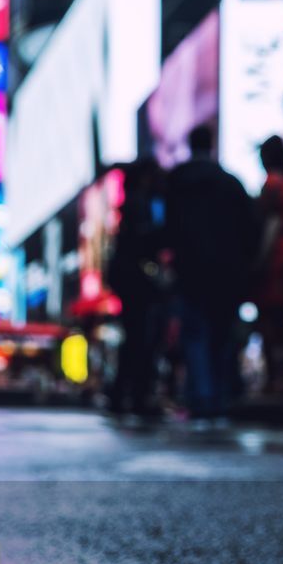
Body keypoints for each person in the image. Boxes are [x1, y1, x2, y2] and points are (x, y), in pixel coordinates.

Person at [167, 125, 258, 422]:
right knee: (220, 336)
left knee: (196, 335)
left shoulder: (177, 181)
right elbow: (249, 230)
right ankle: (217, 400)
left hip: (191, 271)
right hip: (226, 274)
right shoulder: (230, 183)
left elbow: (167, 227)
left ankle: (202, 399)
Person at [107, 159, 167, 420]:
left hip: (130, 278)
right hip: (137, 279)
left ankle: (126, 395)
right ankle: (136, 396)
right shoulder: (142, 205)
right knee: (141, 339)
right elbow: (145, 240)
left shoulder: (133, 202)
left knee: (135, 339)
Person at [253, 135, 283, 395]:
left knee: (270, 319)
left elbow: (271, 224)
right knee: (280, 318)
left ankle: (275, 379)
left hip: (276, 257)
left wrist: (260, 258)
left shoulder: (274, 183)